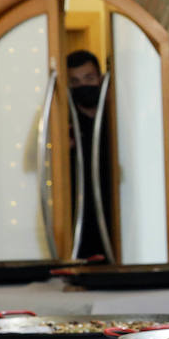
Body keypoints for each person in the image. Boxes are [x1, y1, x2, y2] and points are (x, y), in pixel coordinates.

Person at [66, 49, 113, 260]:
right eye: (74, 81)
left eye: (89, 78)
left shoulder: (116, 119)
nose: (82, 86)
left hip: (114, 214)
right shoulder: (63, 123)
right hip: (76, 216)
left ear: (101, 79)